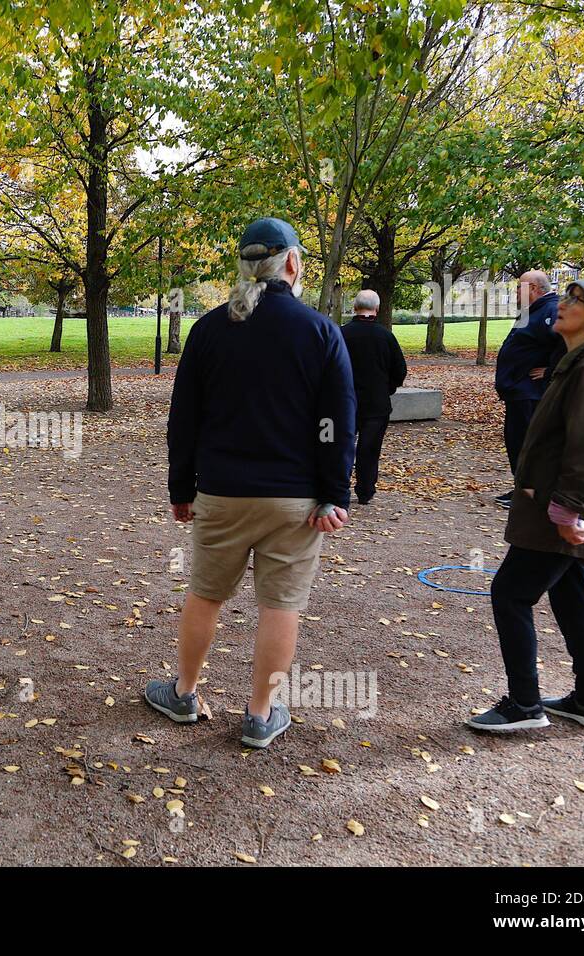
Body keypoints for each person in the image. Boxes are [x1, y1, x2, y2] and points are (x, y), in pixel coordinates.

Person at [145, 217, 356, 749]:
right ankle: (260, 714)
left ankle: (185, 692)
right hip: (295, 501)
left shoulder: (210, 330)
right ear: (292, 263)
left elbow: (183, 419)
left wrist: (181, 488)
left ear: (244, 266)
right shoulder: (320, 332)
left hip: (221, 492)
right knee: (281, 605)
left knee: (206, 595)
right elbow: (337, 422)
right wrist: (334, 493)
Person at [467, 276, 584, 733]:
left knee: (511, 593)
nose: (562, 305)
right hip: (572, 508)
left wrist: (568, 511)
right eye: (566, 296)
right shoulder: (577, 361)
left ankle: (524, 705)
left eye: (576, 301)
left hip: (564, 511)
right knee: (572, 595)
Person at [494, 271, 560, 508]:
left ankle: (532, 493)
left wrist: (551, 370)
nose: (514, 293)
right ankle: (522, 488)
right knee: (516, 442)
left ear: (532, 288)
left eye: (518, 288)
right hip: (518, 391)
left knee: (527, 443)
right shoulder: (534, 311)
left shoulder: (552, 310)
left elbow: (569, 343)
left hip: (530, 392)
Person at [339, 289, 407, 505]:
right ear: (376, 309)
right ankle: (365, 490)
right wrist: (389, 387)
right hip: (376, 402)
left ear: (355, 307)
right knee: (370, 448)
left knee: (341, 445)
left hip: (344, 401)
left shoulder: (340, 333)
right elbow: (400, 369)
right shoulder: (386, 336)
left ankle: (339, 488)